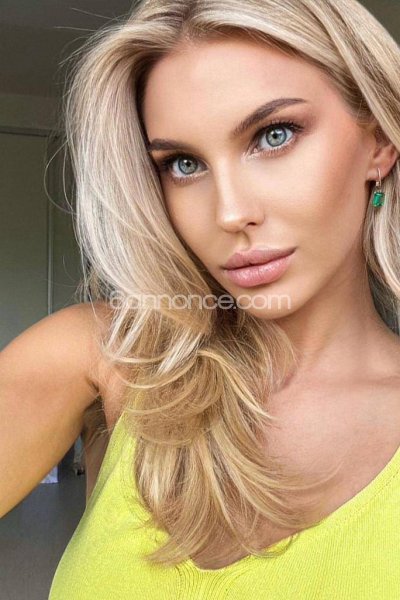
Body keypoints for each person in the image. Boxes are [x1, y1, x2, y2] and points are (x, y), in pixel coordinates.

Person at [1, 0, 400, 597]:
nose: (230, 212)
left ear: (379, 143)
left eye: (274, 135)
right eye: (183, 164)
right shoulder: (108, 357)